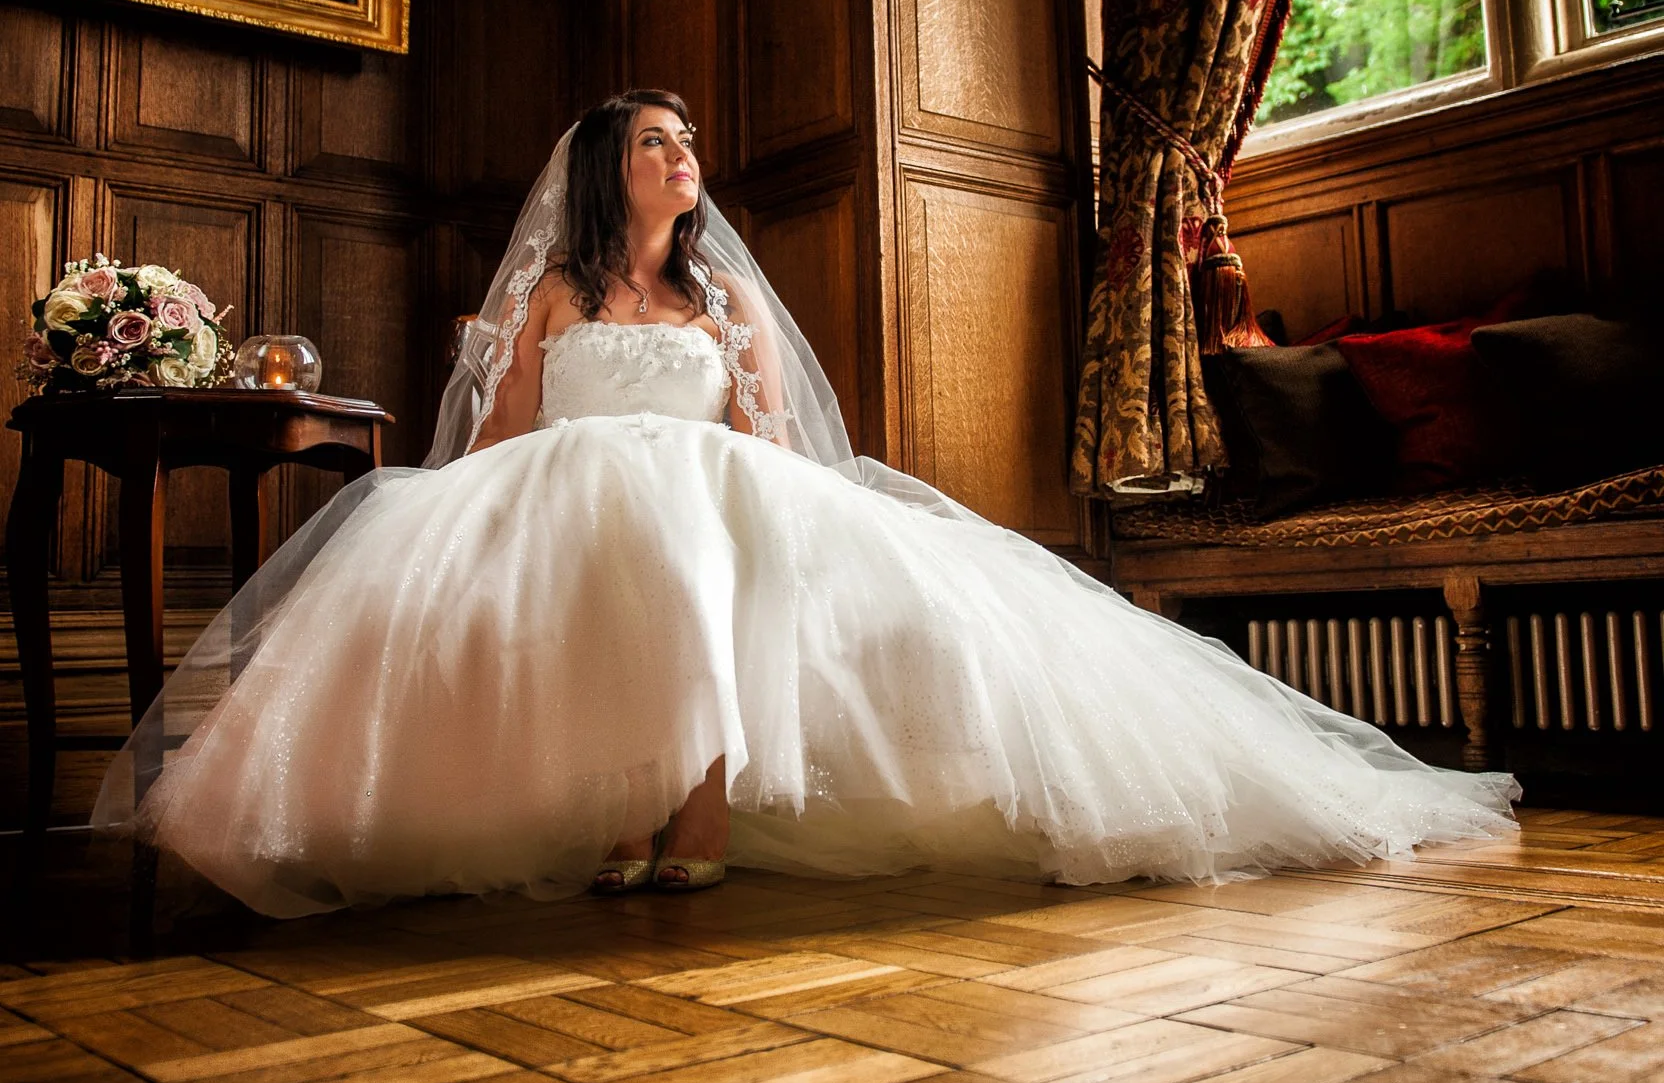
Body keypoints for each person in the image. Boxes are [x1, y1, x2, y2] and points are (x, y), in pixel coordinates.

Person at [93, 90, 1517, 918]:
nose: (683, 158)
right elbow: (510, 426)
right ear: (607, 172)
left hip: (703, 483)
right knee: (591, 520)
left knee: (705, 514)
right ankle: (621, 809)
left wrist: (774, 484)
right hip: (567, 483)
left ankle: (698, 812)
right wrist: (453, 528)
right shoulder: (554, 293)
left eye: (686, 143)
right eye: (657, 143)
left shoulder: (721, 298)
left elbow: (763, 432)